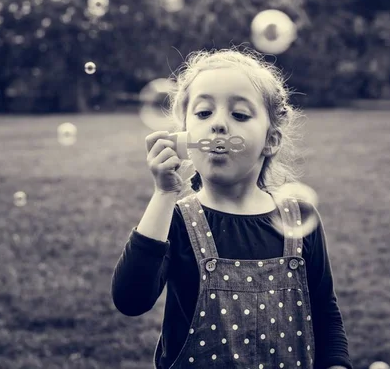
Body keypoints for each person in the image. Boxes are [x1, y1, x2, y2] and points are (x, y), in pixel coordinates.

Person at [111, 47, 353, 369]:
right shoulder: (178, 220)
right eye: (203, 113)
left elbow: (324, 312)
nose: (219, 125)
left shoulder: (298, 217)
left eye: (239, 115)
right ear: (184, 137)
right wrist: (164, 193)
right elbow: (130, 300)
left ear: (271, 140)